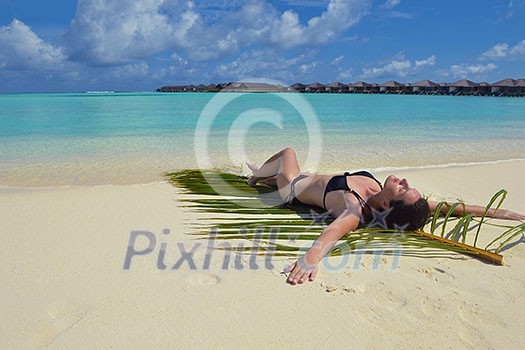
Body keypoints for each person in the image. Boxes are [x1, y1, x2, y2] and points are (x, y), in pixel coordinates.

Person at [246, 147, 525, 285]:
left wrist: (310, 259)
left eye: (402, 188)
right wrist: (508, 214)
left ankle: (254, 178)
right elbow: (454, 208)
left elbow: (334, 232)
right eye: (407, 185)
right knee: (297, 173)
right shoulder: (391, 204)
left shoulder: (354, 208)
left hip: (292, 189)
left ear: (384, 207)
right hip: (310, 180)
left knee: (288, 153)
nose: (403, 180)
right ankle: (263, 176)